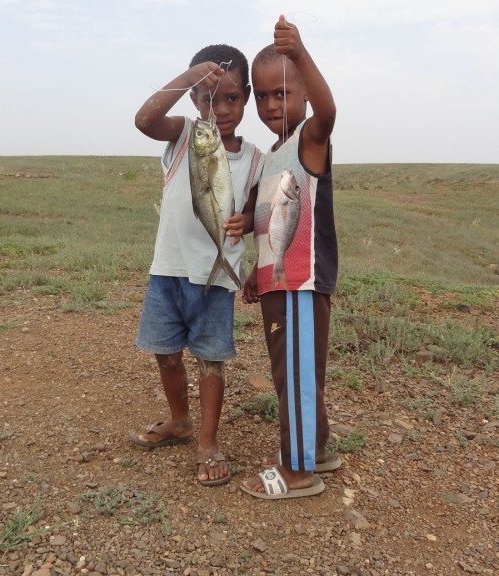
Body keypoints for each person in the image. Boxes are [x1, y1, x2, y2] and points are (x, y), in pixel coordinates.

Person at [129, 44, 263, 487]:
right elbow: (144, 120)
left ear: (245, 97)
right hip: (167, 269)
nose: (220, 109)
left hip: (215, 280)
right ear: (193, 99)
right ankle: (180, 421)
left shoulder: (255, 159)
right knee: (165, 354)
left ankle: (207, 442)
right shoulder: (184, 134)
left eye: (231, 99)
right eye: (209, 98)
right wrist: (187, 77)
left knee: (210, 362)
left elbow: (254, 213)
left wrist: (246, 221)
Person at [239, 15, 338, 499]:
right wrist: (256, 274)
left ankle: (298, 471)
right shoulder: (274, 153)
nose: (272, 104)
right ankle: (317, 447)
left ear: (303, 95)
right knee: (294, 369)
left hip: (300, 284)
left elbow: (328, 111)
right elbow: (268, 221)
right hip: (278, 281)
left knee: (294, 372)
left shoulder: (309, 141)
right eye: (263, 95)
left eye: (283, 93)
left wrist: (299, 54)